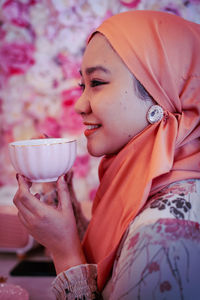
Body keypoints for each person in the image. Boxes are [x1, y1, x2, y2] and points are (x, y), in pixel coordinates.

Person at [13, 10, 200, 300]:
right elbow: (116, 264)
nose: (79, 105)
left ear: (161, 92)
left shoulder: (164, 235)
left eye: (97, 83)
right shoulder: (147, 183)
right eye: (81, 86)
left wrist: (65, 253)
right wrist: (62, 207)